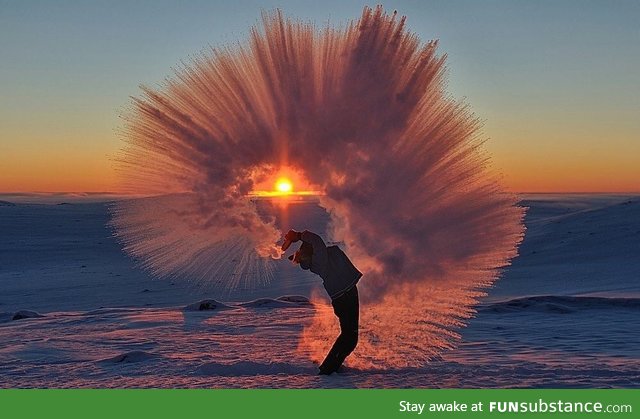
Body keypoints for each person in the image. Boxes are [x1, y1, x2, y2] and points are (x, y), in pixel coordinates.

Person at [281, 229, 362, 375]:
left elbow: (315, 243)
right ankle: (328, 369)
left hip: (344, 295)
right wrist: (298, 236)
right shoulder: (320, 260)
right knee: (349, 337)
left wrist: (298, 239)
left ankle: (331, 367)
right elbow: (317, 240)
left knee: (349, 336)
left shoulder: (319, 259)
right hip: (345, 296)